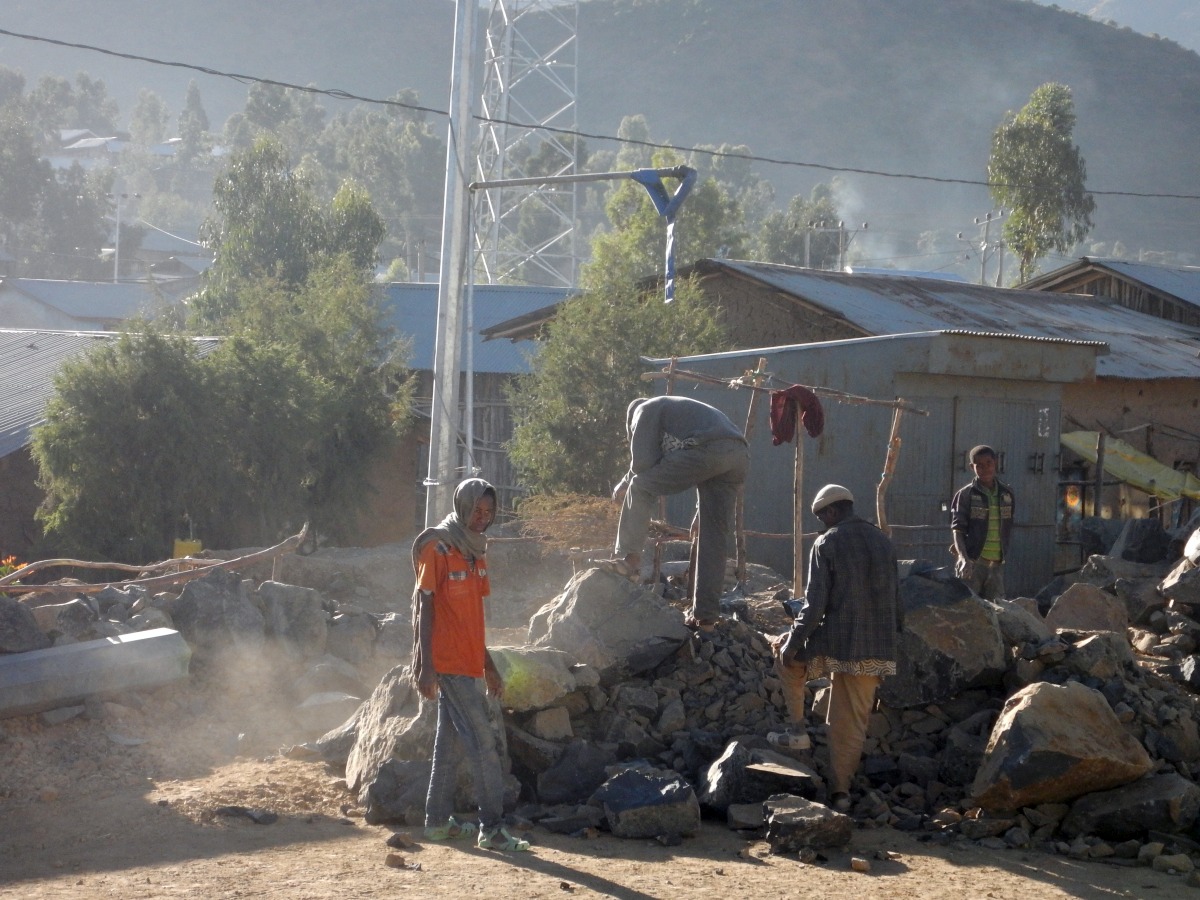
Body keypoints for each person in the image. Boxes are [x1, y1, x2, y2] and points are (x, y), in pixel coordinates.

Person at [768, 484, 902, 814]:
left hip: (838, 642)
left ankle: (797, 730)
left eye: (821, 518)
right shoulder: (884, 542)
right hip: (877, 649)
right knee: (851, 722)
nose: (822, 525)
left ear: (831, 512)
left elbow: (815, 606)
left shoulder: (827, 542)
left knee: (784, 655)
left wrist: (794, 641)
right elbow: (898, 604)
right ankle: (840, 794)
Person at [412, 478, 530, 852]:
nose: (483, 518)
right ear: (462, 507)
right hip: (447, 663)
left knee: (448, 744)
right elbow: (424, 608)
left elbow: (472, 619)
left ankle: (434, 822)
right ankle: (492, 829)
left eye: (489, 512)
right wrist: (424, 666)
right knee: (483, 743)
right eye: (477, 510)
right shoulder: (438, 546)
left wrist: (489, 666)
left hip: (468, 663)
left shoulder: (475, 551)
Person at [600, 395, 749, 632]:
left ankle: (629, 561)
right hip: (738, 453)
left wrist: (624, 483)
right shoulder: (680, 411)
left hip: (706, 448)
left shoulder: (645, 410)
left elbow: (642, 463)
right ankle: (706, 619)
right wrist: (701, 512)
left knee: (640, 487)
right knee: (714, 537)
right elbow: (713, 457)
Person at [950, 444, 1015, 600]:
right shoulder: (965, 495)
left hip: (997, 565)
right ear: (972, 467)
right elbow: (957, 530)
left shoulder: (1007, 494)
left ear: (995, 463)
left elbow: (1008, 525)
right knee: (969, 609)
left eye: (989, 463)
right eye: (979, 465)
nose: (985, 469)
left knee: (997, 611)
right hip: (973, 564)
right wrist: (964, 558)